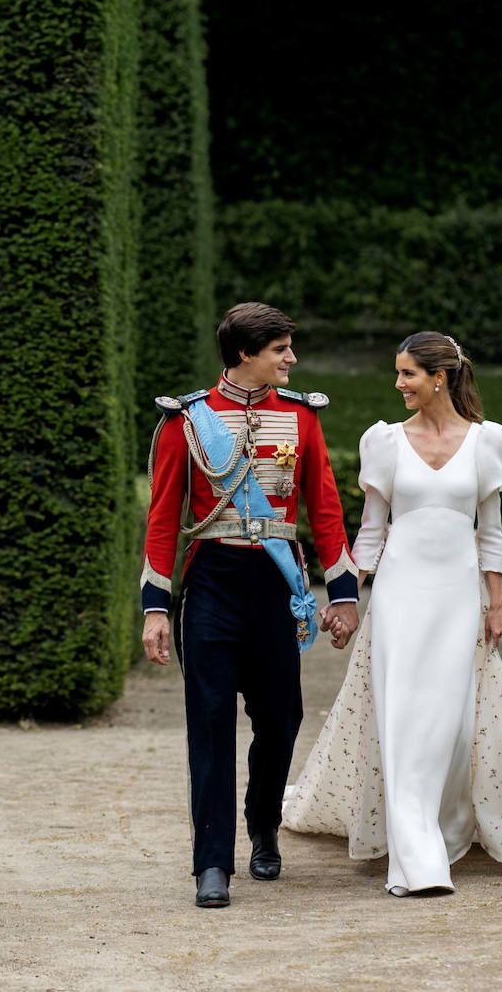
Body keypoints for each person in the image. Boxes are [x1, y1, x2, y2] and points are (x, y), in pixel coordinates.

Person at [283, 331, 502, 895]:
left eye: (407, 374)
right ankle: (417, 861)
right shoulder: (384, 441)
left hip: (457, 598)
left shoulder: (490, 441)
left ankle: (446, 824)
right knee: (402, 719)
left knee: (450, 720)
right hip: (398, 597)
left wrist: (496, 605)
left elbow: (489, 535)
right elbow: (369, 533)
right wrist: (345, 595)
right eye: (397, 374)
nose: (398, 385)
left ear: (439, 376)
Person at [141, 301, 359, 908]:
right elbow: (163, 519)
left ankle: (263, 824)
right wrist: (156, 608)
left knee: (281, 719)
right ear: (245, 354)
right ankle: (212, 863)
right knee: (208, 725)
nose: (292, 358)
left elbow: (325, 506)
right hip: (211, 582)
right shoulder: (186, 420)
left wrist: (341, 594)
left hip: (275, 585)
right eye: (281, 349)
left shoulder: (301, 418)